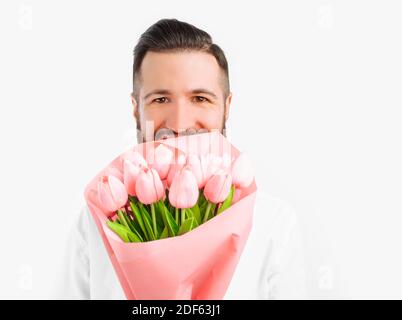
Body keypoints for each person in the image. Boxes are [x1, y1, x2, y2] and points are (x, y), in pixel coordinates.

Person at [55, 18, 307, 299]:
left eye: (200, 98)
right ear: (136, 109)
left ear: (227, 106)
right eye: (161, 100)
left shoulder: (273, 223)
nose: (179, 123)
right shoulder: (95, 225)